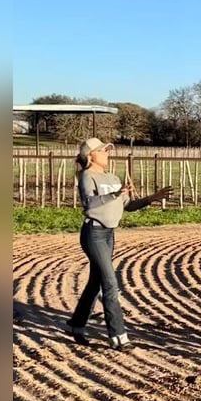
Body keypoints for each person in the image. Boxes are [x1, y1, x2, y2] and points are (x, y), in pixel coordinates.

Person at [65, 138, 172, 350]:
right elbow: (89, 203)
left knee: (96, 282)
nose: (107, 153)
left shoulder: (113, 178)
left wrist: (152, 198)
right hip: (93, 234)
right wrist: (114, 193)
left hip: (108, 234)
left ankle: (76, 325)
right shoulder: (87, 176)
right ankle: (118, 336)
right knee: (110, 284)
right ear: (91, 155)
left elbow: (128, 205)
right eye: (103, 150)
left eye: (107, 150)